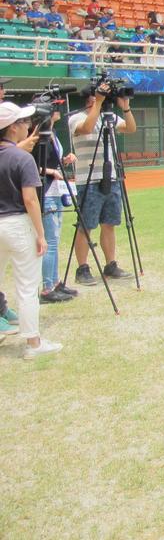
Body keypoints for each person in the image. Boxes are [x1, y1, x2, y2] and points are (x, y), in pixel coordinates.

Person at [0, 102, 62, 358]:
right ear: (13, 128)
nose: (28, 127)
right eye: (24, 123)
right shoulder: (22, 158)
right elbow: (30, 199)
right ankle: (33, 344)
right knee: (27, 287)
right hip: (17, 224)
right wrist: (40, 233)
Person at [69, 83, 136, 286]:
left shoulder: (109, 118)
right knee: (86, 226)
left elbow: (131, 128)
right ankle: (82, 268)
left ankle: (110, 264)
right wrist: (98, 102)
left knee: (109, 224)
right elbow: (87, 128)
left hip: (111, 178)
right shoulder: (76, 119)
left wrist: (125, 107)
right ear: (91, 98)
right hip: (88, 180)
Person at [34, 111, 79, 302]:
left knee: (55, 239)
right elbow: (33, 165)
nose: (60, 108)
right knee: (50, 242)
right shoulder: (37, 135)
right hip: (46, 192)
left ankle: (54, 281)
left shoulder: (51, 133)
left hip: (55, 191)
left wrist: (64, 160)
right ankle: (47, 288)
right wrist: (52, 170)